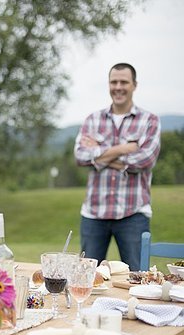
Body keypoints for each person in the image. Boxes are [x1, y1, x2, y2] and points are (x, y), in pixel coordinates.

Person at [74, 63, 161, 271]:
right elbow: (80, 156)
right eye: (114, 82)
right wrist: (124, 148)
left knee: (138, 279)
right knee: (86, 280)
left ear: (134, 85)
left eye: (124, 82)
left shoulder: (149, 120)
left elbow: (144, 161)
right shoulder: (92, 119)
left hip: (133, 214)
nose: (118, 87)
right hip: (94, 213)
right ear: (108, 84)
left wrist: (100, 154)